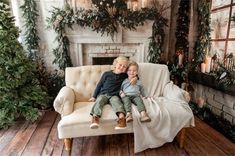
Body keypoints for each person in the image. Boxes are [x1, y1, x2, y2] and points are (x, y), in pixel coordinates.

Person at [89, 56, 136, 130]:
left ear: (126, 69)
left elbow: (133, 74)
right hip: (103, 94)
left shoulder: (124, 76)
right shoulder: (106, 74)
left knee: (117, 102)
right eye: (120, 65)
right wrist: (94, 96)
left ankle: (122, 119)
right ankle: (95, 118)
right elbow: (99, 85)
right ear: (115, 64)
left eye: (124, 67)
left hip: (114, 95)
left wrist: (136, 78)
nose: (121, 67)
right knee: (99, 101)